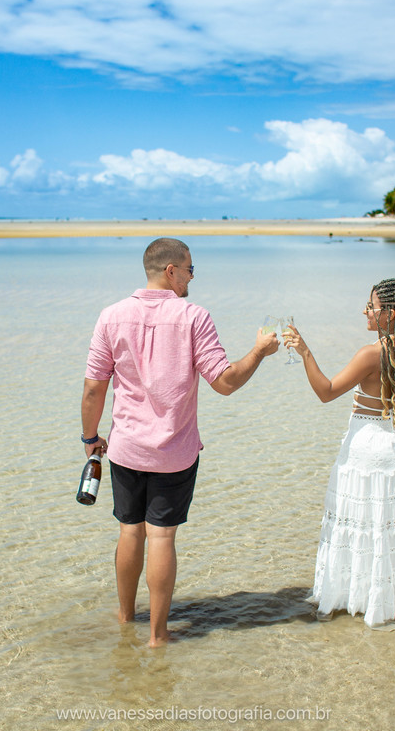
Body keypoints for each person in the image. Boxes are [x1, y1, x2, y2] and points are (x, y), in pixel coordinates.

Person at [80, 238, 279, 647]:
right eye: (190, 269)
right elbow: (225, 382)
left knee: (129, 531)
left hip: (126, 449)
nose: (192, 277)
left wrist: (89, 437)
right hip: (174, 452)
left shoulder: (111, 316)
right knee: (161, 537)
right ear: (171, 270)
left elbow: (93, 388)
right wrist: (259, 351)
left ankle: (125, 618)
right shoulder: (194, 317)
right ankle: (158, 637)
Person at [283, 278, 395, 628]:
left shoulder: (372, 353)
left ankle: (353, 598)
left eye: (372, 306)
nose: (365, 312)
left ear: (390, 313)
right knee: (388, 528)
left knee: (359, 525)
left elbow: (326, 391)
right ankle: (388, 601)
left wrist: (305, 352)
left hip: (367, 447)